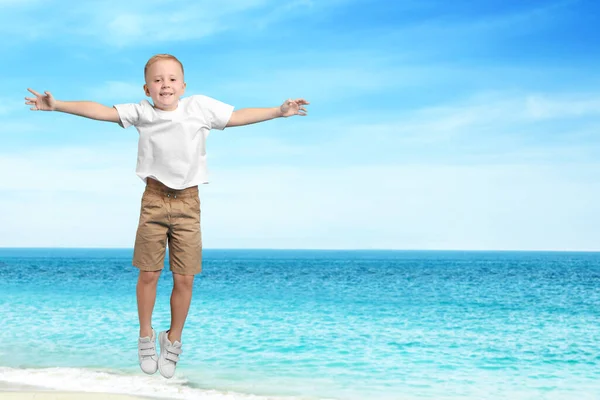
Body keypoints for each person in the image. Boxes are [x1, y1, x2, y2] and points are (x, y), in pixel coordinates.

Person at [24, 53, 309, 379]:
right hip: (155, 201)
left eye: (172, 79)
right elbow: (101, 110)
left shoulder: (199, 107)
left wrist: (278, 111)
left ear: (183, 85)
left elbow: (238, 116)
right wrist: (57, 104)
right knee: (149, 273)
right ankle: (146, 335)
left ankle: (172, 339)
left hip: (188, 203)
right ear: (147, 88)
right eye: (158, 80)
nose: (165, 85)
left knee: (185, 277)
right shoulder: (142, 112)